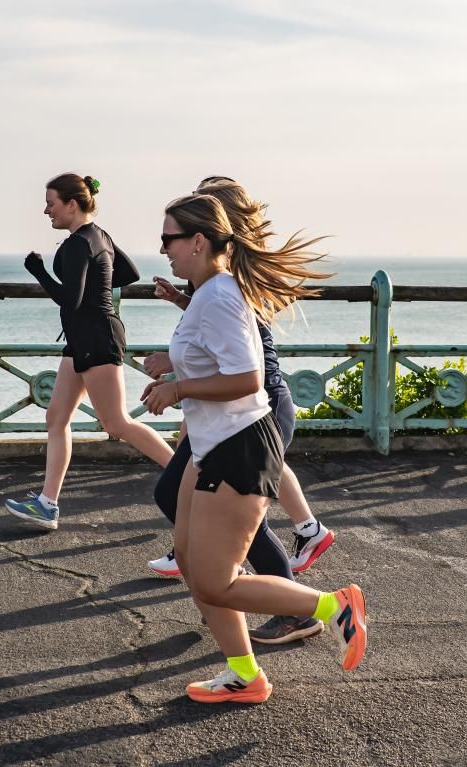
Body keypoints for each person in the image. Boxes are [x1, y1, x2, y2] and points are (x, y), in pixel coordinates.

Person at [141, 193, 367, 703]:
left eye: (168, 239)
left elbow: (247, 378)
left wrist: (177, 388)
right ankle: (245, 675)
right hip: (212, 444)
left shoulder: (219, 295)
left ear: (198, 241)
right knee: (196, 569)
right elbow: (215, 360)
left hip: (239, 446)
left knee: (217, 582)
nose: (163, 250)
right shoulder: (205, 294)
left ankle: (335, 608)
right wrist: (174, 370)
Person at [4, 173, 174, 529]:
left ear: (71, 204)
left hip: (97, 339)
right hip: (82, 339)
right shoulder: (99, 236)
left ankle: (185, 476)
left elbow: (70, 298)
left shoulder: (78, 244)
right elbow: (127, 272)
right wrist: (101, 282)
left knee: (116, 423)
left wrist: (37, 270)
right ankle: (47, 504)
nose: (46, 210)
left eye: (51, 203)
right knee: (56, 418)